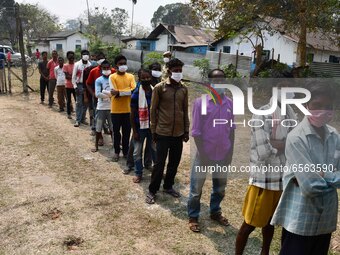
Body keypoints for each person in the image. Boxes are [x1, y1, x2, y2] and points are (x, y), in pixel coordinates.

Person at [271, 83, 340, 255]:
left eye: (328, 106)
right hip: (301, 220)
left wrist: (322, 174)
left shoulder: (335, 136)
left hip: (325, 220)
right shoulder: (296, 138)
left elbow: (311, 181)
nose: (323, 111)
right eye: (317, 106)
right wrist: (331, 178)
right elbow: (310, 187)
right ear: (306, 106)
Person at [235, 82, 297, 255]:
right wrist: (287, 144)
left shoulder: (290, 114)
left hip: (281, 180)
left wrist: (279, 143)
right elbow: (264, 152)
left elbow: (296, 143)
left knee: (270, 223)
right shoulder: (261, 114)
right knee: (249, 224)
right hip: (263, 181)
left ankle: (265, 252)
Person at [187, 69, 235, 233]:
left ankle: (215, 212)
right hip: (204, 154)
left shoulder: (230, 103)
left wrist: (230, 152)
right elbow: (196, 132)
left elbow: (232, 129)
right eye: (216, 80)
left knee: (220, 187)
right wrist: (204, 154)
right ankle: (193, 216)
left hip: (223, 153)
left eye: (222, 79)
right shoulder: (201, 103)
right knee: (196, 189)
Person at [146, 58, 189, 204]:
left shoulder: (184, 89)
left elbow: (185, 110)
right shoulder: (160, 87)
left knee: (174, 162)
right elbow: (153, 110)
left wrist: (186, 130)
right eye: (175, 70)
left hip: (178, 133)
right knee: (159, 164)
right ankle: (152, 190)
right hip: (162, 132)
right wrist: (153, 130)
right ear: (169, 71)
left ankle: (168, 186)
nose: (178, 73)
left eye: (180, 70)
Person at [130, 69, 156, 183]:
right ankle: (138, 172)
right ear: (139, 79)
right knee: (137, 151)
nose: (146, 80)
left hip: (152, 127)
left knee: (153, 149)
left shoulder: (155, 91)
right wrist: (134, 131)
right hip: (139, 127)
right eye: (143, 78)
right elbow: (132, 113)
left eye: (148, 77)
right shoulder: (136, 93)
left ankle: (155, 169)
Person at [109, 55, 136, 162]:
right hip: (115, 110)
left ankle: (125, 152)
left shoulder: (131, 76)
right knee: (116, 132)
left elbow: (134, 91)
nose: (123, 65)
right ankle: (116, 152)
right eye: (120, 64)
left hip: (128, 110)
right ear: (116, 65)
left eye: (124, 63)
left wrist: (120, 92)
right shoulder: (112, 77)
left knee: (126, 133)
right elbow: (113, 92)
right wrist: (126, 91)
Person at [86, 52, 116, 141]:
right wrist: (93, 94)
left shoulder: (113, 71)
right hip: (98, 98)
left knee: (111, 117)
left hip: (111, 98)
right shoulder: (93, 71)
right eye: (98, 58)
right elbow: (88, 84)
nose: (101, 60)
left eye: (102, 58)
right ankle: (99, 136)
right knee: (98, 115)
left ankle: (114, 138)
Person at [91, 60, 114, 153]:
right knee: (98, 127)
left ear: (110, 68)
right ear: (101, 69)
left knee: (112, 128)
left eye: (108, 68)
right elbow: (97, 94)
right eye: (104, 68)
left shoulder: (113, 78)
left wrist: (105, 93)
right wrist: (110, 94)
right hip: (101, 107)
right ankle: (96, 146)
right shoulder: (99, 80)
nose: (106, 70)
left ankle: (115, 145)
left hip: (112, 107)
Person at [72, 49, 92, 127]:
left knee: (86, 103)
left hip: (87, 86)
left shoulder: (90, 65)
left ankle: (83, 118)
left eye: (87, 54)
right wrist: (75, 87)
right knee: (79, 103)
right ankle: (77, 120)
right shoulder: (77, 64)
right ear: (81, 55)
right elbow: (73, 77)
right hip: (79, 85)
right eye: (84, 54)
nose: (86, 55)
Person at [63, 51, 76, 119]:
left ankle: (78, 113)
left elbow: (77, 75)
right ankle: (69, 113)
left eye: (72, 57)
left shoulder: (76, 65)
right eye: (70, 57)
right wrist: (73, 76)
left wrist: (71, 76)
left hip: (75, 85)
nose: (71, 58)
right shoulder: (65, 65)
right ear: (67, 57)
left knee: (77, 100)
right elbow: (67, 76)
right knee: (69, 100)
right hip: (68, 86)